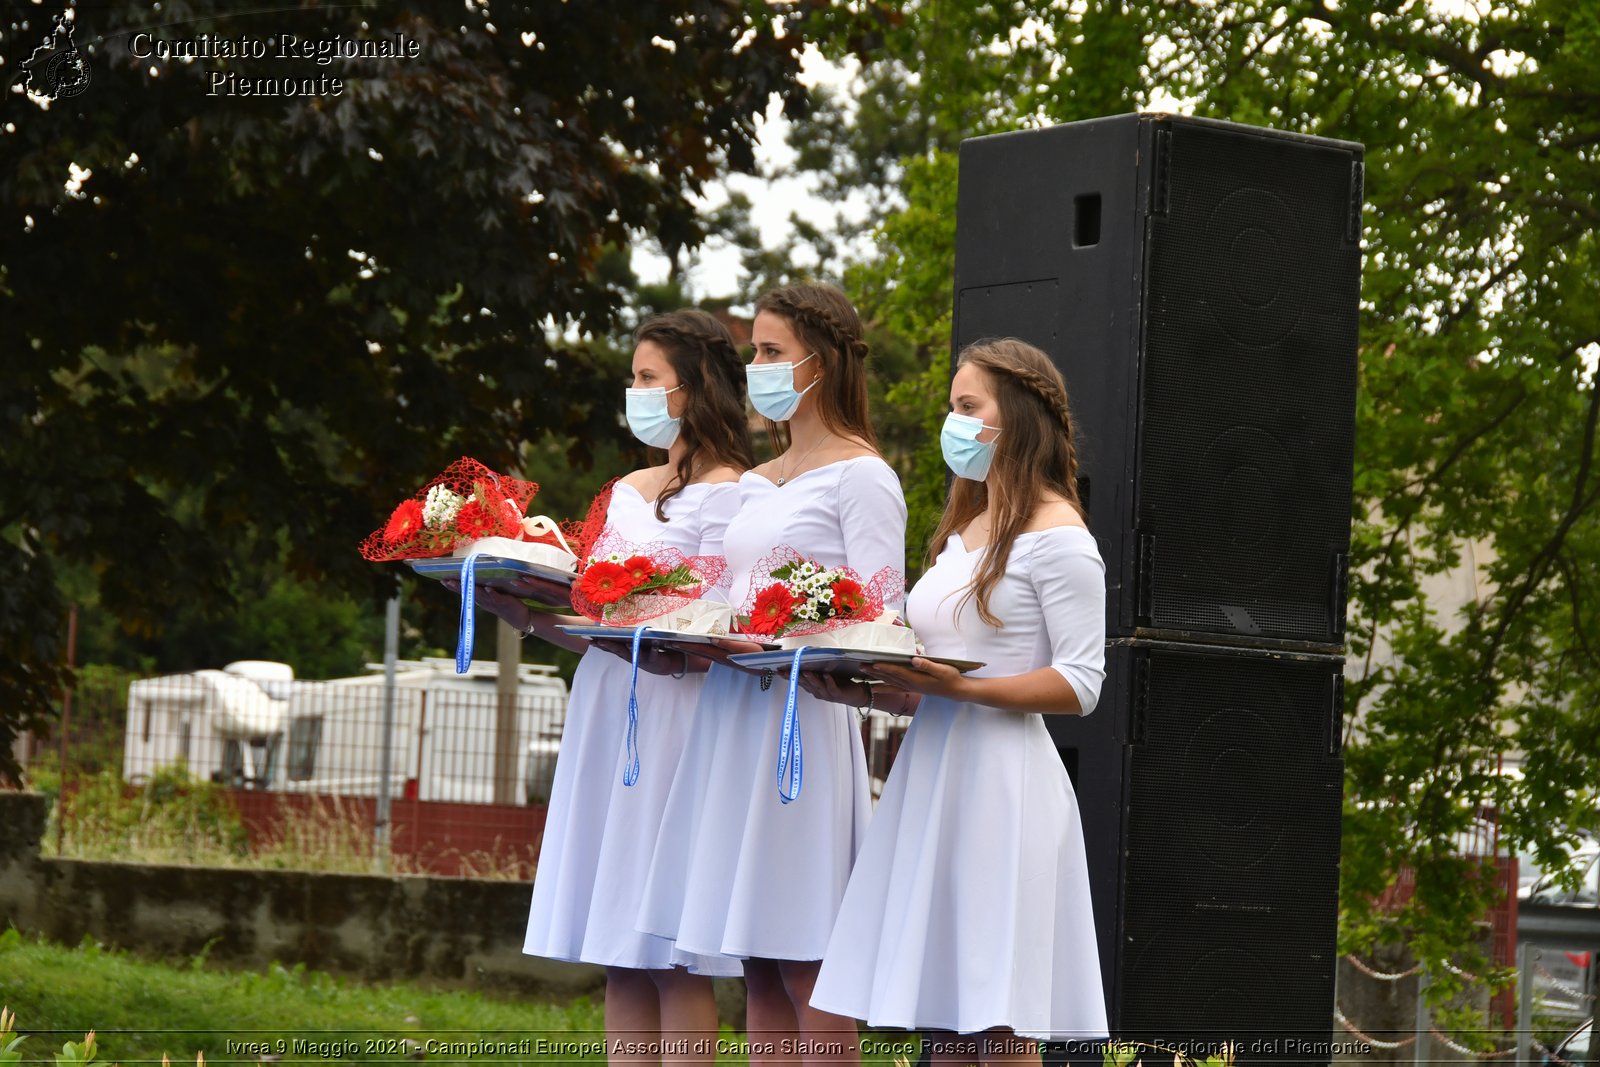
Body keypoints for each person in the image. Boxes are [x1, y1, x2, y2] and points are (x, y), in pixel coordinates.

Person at [804, 338, 1109, 1067]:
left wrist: (962, 687)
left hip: (1004, 790)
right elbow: (933, 681)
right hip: (933, 777)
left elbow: (1081, 682)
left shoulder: (1060, 535)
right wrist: (870, 688)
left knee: (998, 1021)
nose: (957, 422)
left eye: (969, 407)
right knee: (947, 1015)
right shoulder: (966, 531)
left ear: (1021, 416)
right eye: (953, 408)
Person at [464, 309, 753, 1065]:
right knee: (620, 946)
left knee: (669, 947)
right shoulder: (626, 489)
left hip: (675, 718)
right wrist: (527, 614)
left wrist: (654, 628)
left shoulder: (733, 494)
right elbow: (599, 624)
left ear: (691, 389)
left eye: (648, 377)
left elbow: (715, 628)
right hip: (606, 702)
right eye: (633, 378)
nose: (635, 391)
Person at [637, 284, 906, 1066]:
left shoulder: (863, 476)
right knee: (755, 958)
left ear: (820, 365)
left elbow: (880, 614)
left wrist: (795, 641)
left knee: (805, 960)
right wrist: (672, 627)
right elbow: (722, 596)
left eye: (769, 351)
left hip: (800, 721)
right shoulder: (757, 480)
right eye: (753, 350)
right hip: (730, 715)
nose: (754, 366)